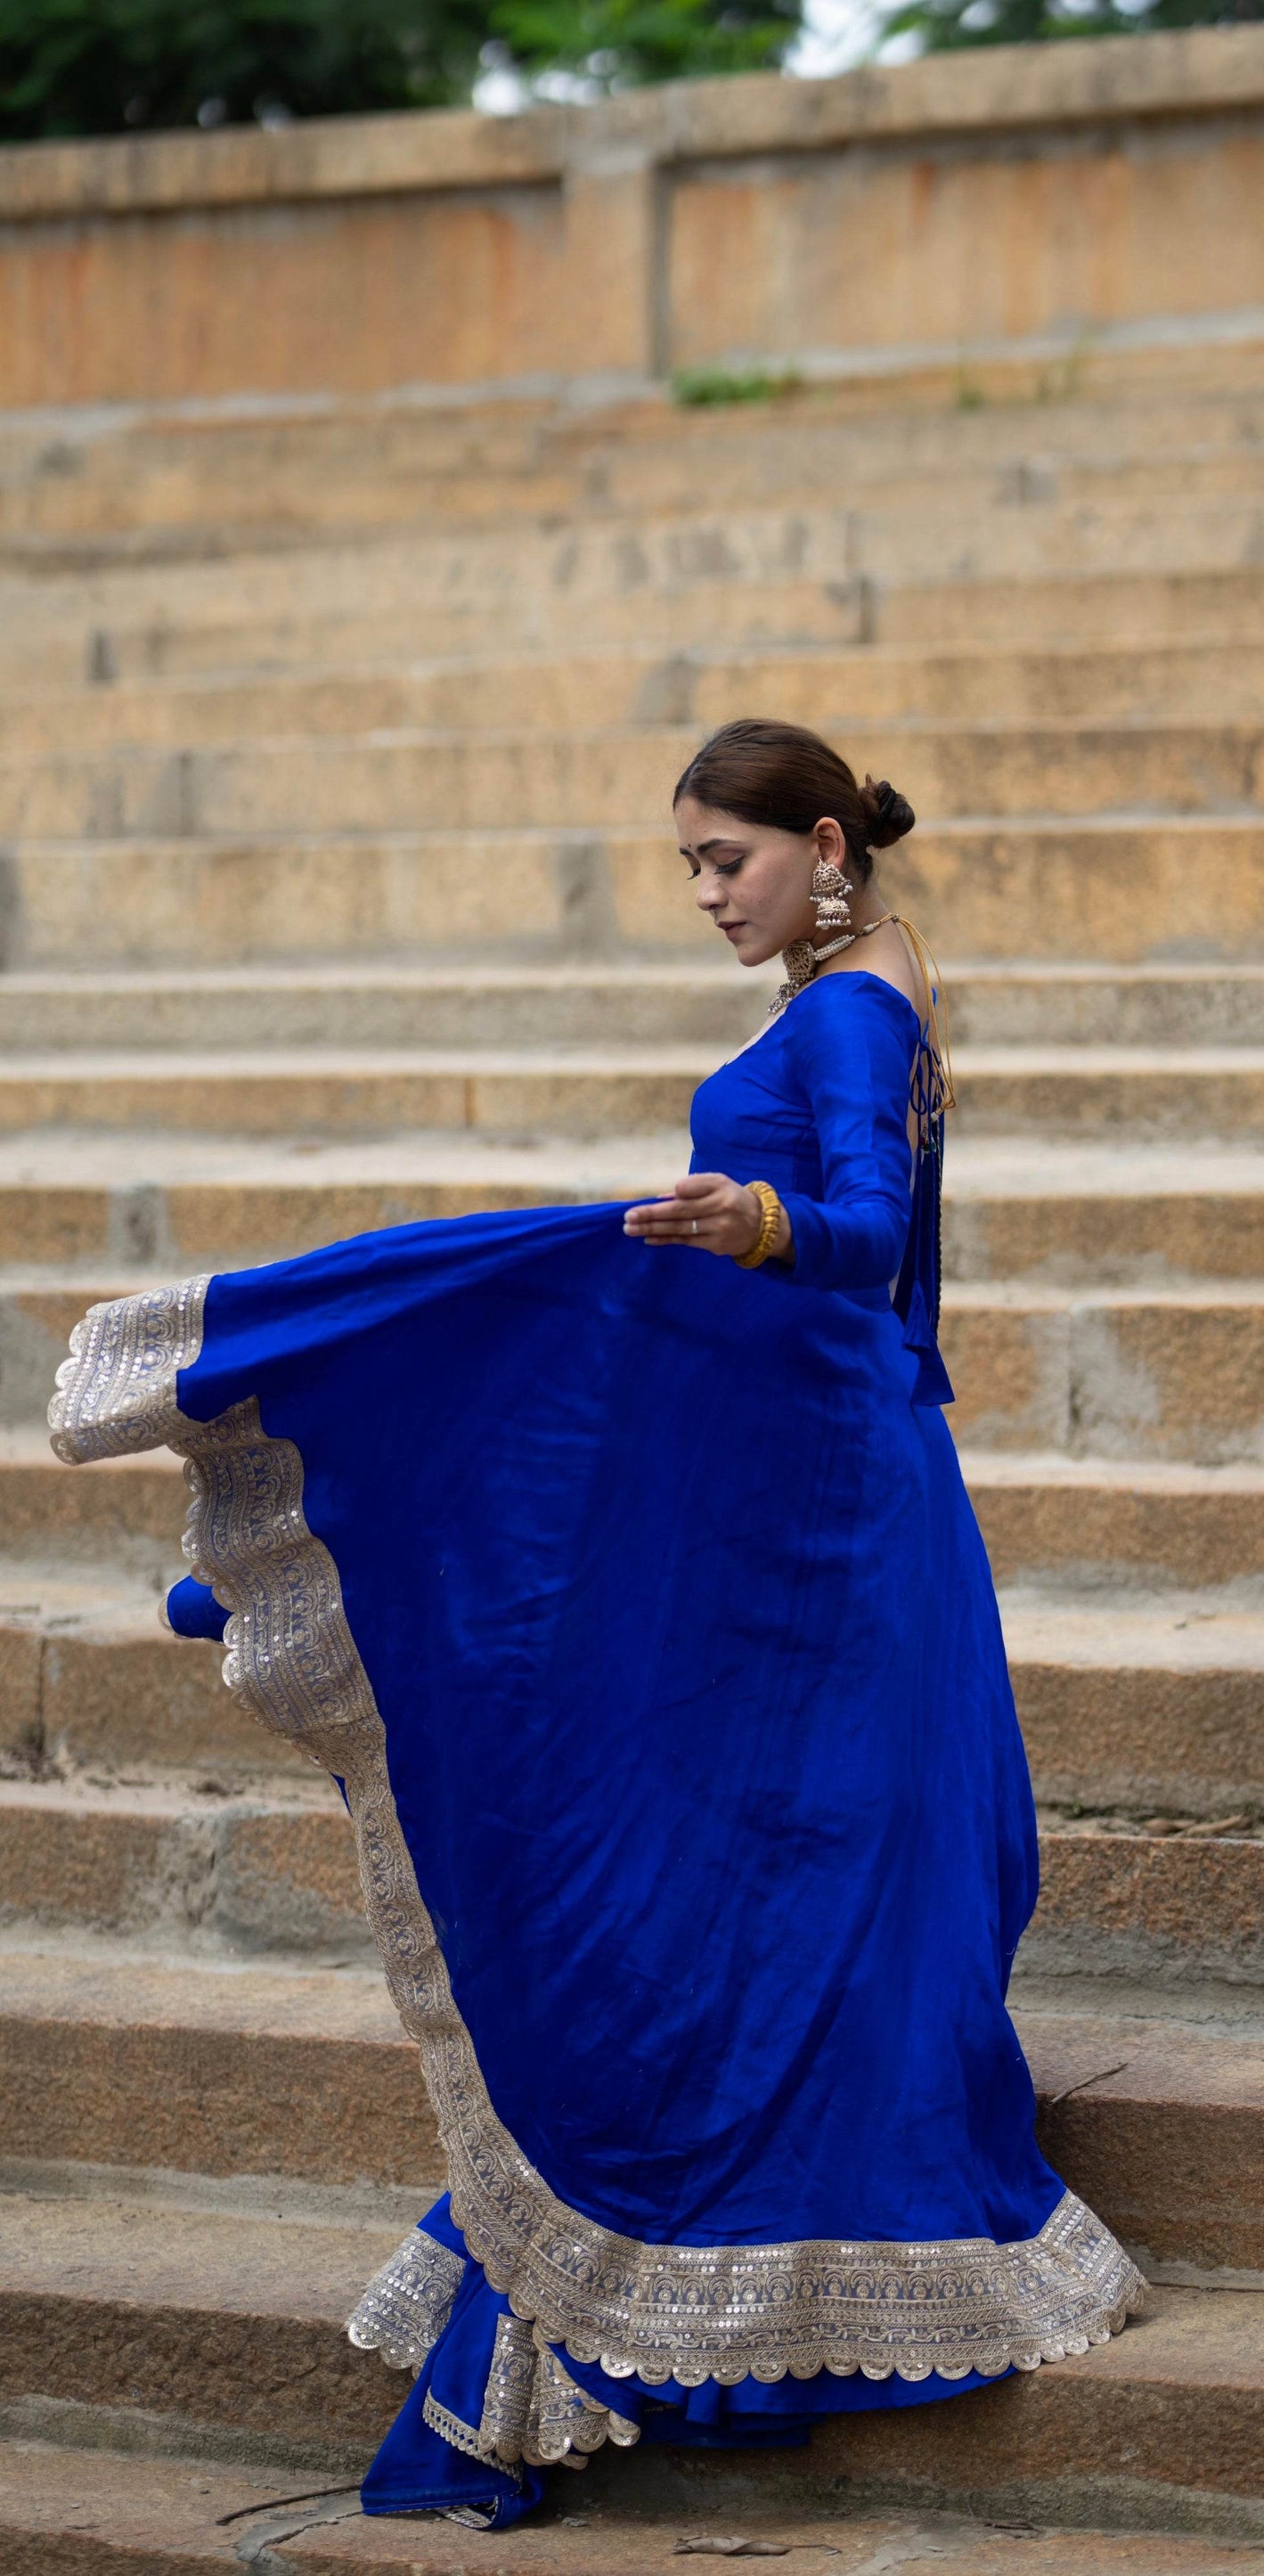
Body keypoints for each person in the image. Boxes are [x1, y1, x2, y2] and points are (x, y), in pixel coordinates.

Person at [52, 718, 1143, 2530]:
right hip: (829, 1474)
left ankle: (766, 2230)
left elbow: (876, 1236)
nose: (709, 897)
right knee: (789, 1861)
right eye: (692, 869)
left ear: (821, 843)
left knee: (771, 1859)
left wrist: (757, 1216)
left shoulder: (860, 1008)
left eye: (729, 862)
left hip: (836, 1506)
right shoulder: (869, 979)